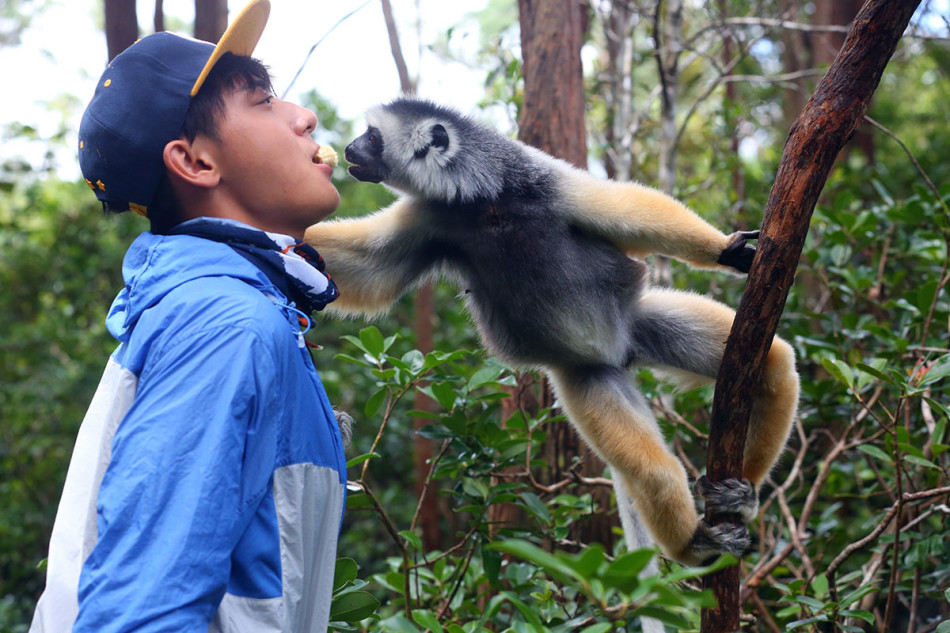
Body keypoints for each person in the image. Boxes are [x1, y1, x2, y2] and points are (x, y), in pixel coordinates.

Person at [29, 1, 349, 630]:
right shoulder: (224, 323)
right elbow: (143, 613)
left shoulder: (227, 307)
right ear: (197, 162)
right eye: (261, 102)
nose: (304, 116)